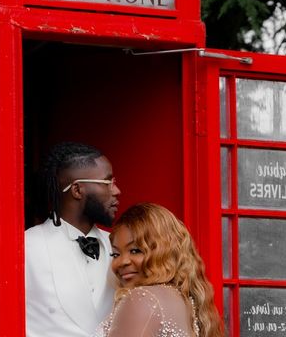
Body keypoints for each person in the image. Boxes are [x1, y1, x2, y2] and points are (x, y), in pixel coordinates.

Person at [25, 142, 121, 337]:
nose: (116, 191)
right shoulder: (27, 246)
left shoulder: (119, 245)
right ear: (77, 190)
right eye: (107, 182)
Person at [96, 203, 224, 337]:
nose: (122, 262)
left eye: (135, 250)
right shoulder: (183, 300)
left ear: (164, 252)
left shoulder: (142, 299)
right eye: (116, 254)